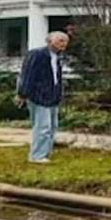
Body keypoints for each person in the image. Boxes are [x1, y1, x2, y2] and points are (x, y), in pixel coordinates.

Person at [15, 31, 69, 164]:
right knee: (42, 127)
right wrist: (22, 94)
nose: (63, 44)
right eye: (60, 40)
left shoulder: (57, 58)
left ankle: (45, 153)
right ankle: (37, 156)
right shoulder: (37, 54)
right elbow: (27, 75)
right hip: (38, 96)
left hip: (53, 96)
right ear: (50, 41)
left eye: (65, 41)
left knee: (52, 127)